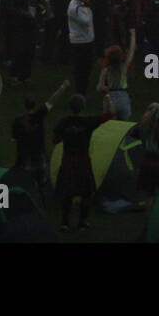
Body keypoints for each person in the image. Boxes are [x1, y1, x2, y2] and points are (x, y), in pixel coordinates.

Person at [53, 94, 104, 232]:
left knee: (67, 192)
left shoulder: (64, 122)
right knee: (86, 192)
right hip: (82, 160)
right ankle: (82, 222)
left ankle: (65, 222)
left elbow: (54, 140)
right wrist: (109, 99)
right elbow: (109, 114)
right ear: (83, 107)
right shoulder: (88, 122)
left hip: (68, 159)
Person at [12, 80, 69, 190]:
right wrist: (63, 86)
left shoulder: (17, 121)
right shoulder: (39, 115)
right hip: (39, 156)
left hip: (24, 157)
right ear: (35, 105)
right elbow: (52, 100)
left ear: (24, 105)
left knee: (25, 185)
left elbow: (15, 138)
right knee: (41, 184)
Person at [96, 28, 136, 120]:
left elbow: (99, 87)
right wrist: (133, 35)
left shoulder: (105, 70)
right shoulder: (124, 67)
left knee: (110, 126)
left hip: (110, 97)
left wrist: (105, 88)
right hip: (123, 97)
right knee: (124, 127)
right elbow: (132, 50)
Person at [68, 0, 96, 95]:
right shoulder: (74, 7)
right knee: (81, 69)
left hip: (86, 40)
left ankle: (82, 90)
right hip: (80, 42)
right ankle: (80, 91)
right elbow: (86, 21)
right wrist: (88, 7)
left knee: (87, 68)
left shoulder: (81, 5)